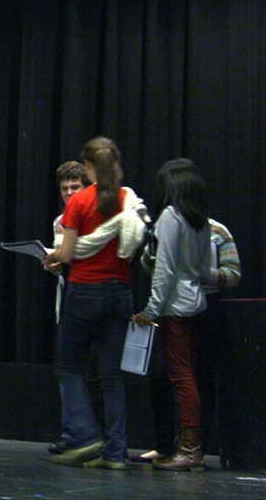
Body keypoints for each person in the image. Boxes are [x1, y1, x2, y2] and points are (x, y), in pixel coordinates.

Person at [43, 136, 146, 470]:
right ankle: (115, 453)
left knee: (70, 367)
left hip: (86, 291)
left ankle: (86, 435)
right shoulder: (126, 199)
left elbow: (69, 253)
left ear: (88, 167)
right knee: (111, 375)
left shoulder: (80, 202)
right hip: (120, 292)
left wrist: (51, 257)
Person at [135, 215, 241, 465]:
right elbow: (147, 265)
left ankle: (195, 449)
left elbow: (234, 274)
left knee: (201, 377)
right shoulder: (166, 227)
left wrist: (201, 273)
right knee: (160, 375)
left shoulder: (217, 229)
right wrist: (157, 254)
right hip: (174, 305)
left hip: (208, 307)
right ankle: (163, 445)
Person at [132, 158, 212, 471]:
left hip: (174, 308)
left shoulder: (170, 216)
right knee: (185, 374)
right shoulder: (201, 221)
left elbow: (163, 270)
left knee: (180, 376)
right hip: (197, 304)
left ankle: (190, 450)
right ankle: (188, 447)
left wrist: (150, 309)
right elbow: (204, 269)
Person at [45, 161, 93, 455]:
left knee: (95, 372)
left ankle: (96, 435)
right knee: (68, 370)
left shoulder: (97, 215)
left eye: (75, 187)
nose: (69, 192)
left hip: (92, 296)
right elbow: (63, 265)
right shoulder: (59, 220)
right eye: (65, 188)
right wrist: (52, 264)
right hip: (69, 299)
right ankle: (72, 432)